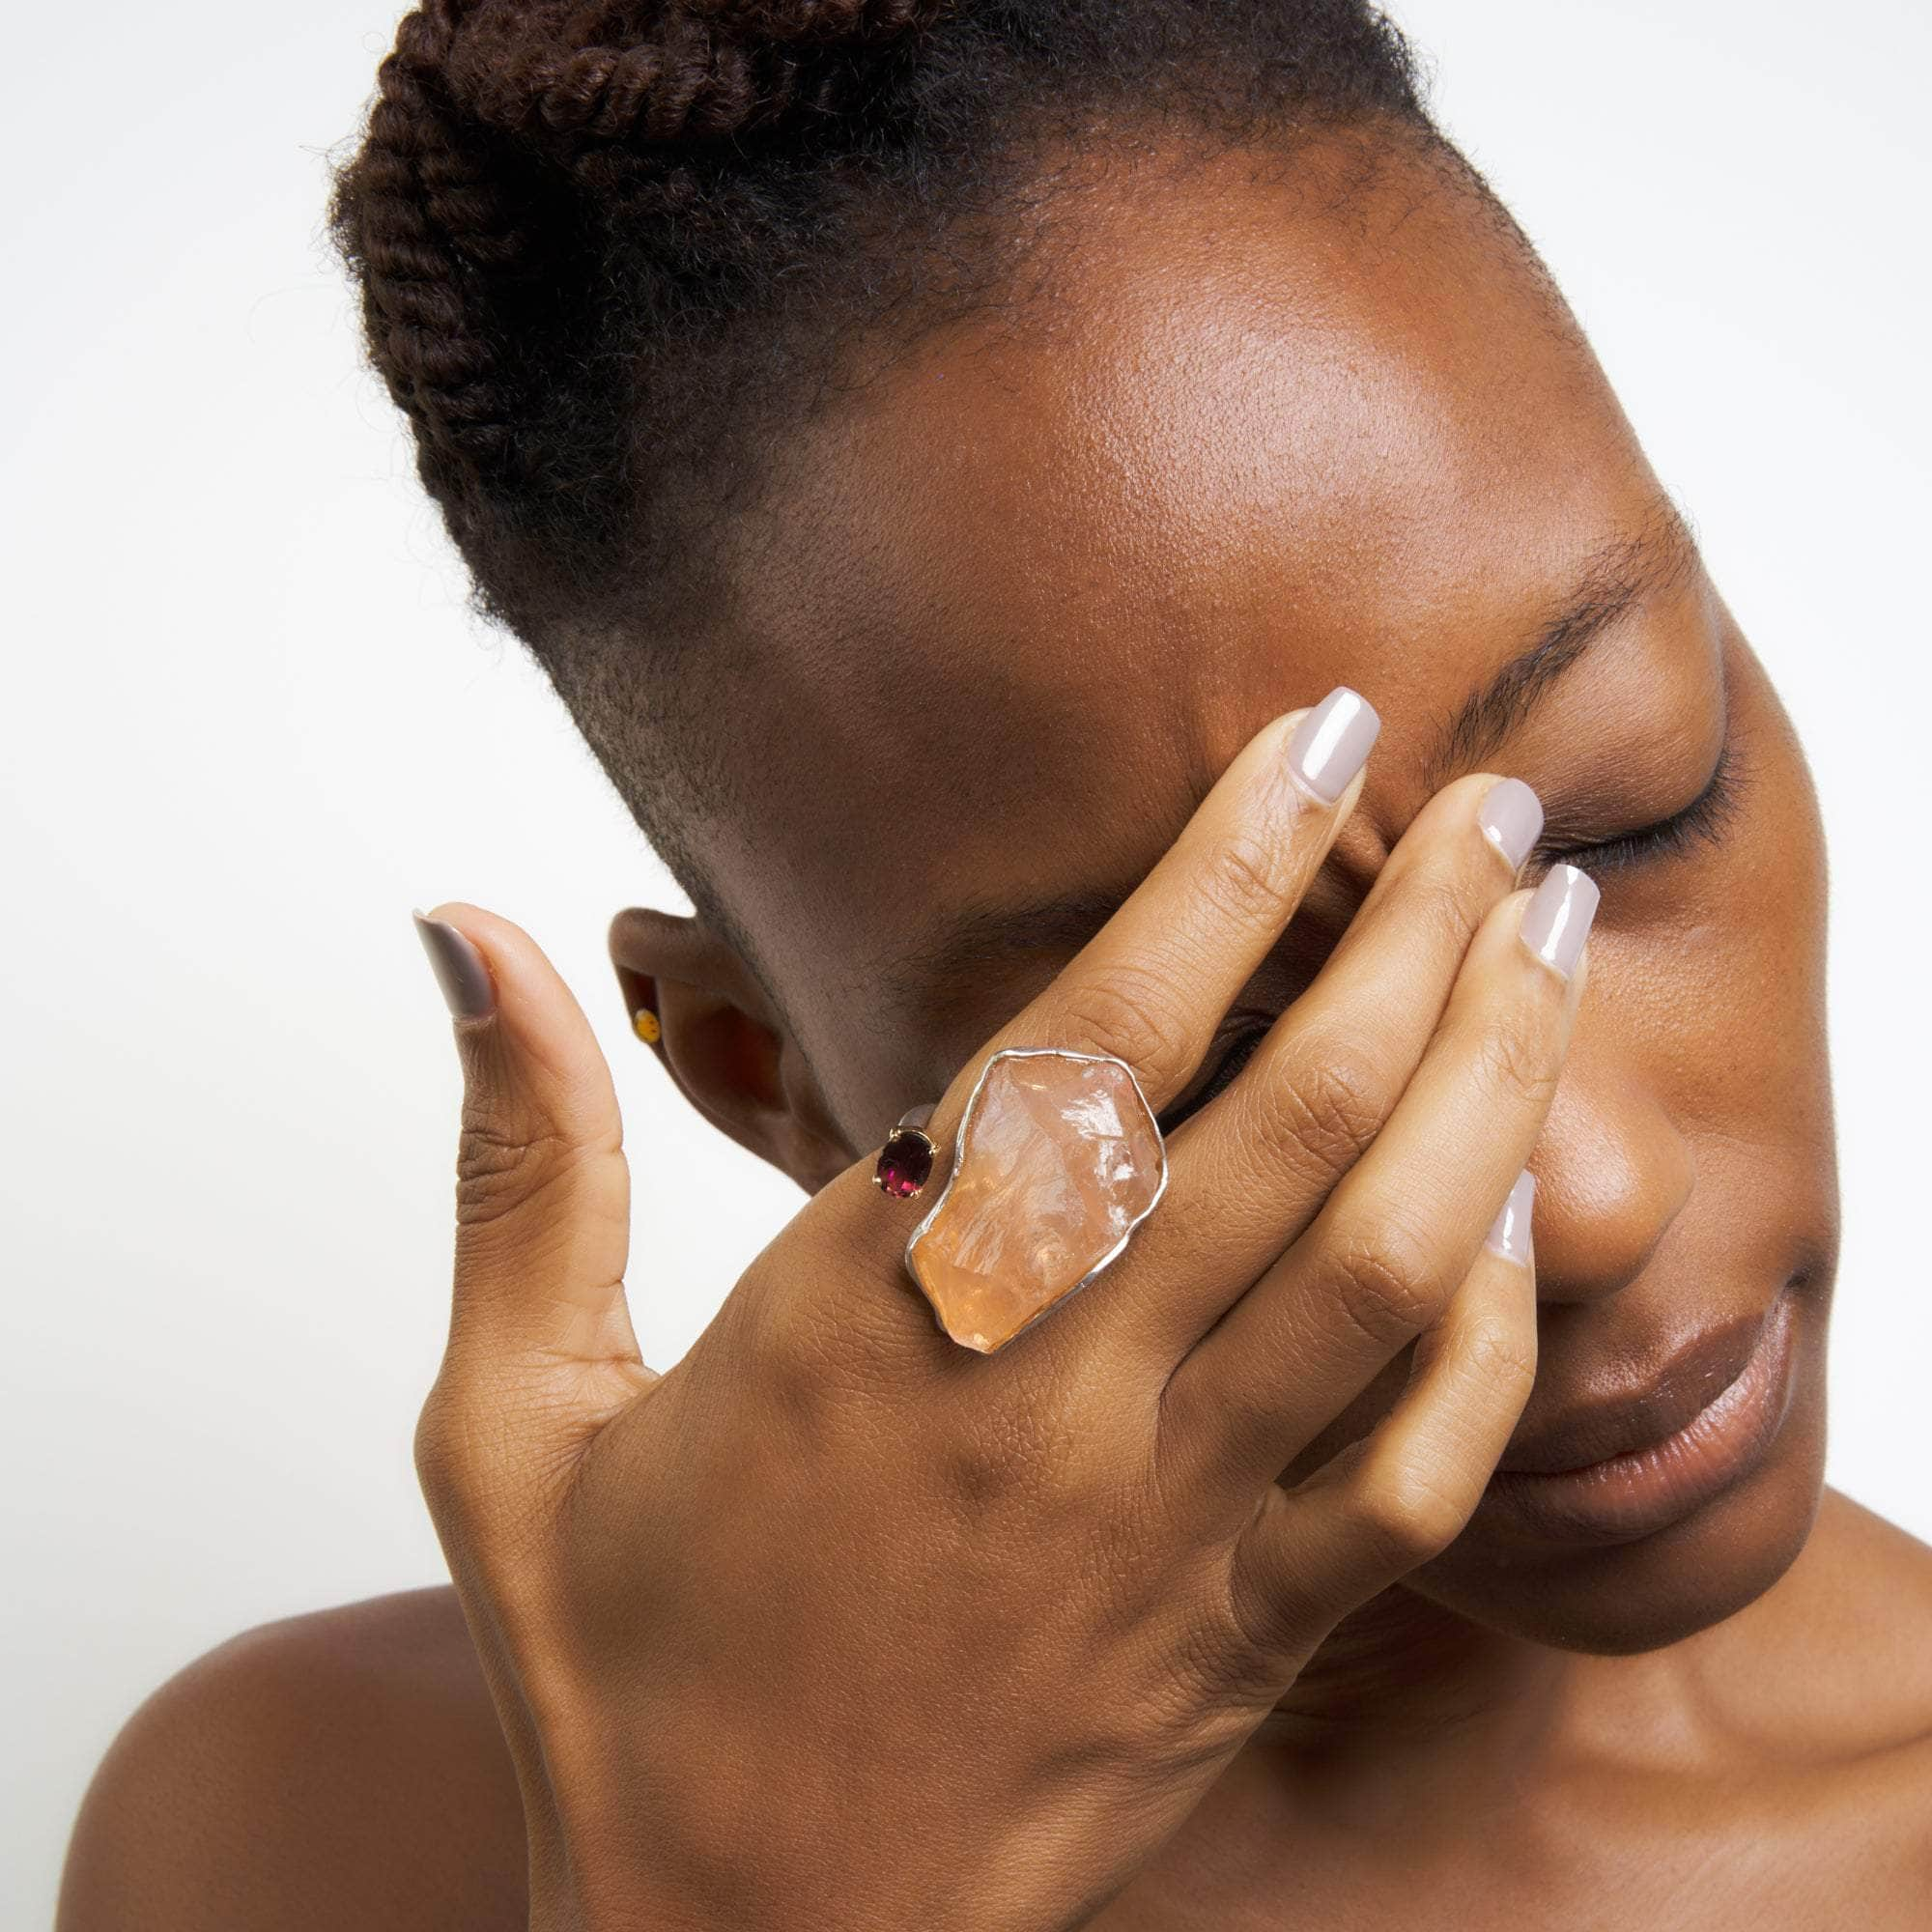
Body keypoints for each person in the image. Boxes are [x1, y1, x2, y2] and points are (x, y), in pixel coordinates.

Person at [56, 2, 1932, 1926]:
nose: (1596, 1194)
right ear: (762, 1075)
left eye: (1627, 811)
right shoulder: (297, 1831)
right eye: (1207, 1056)